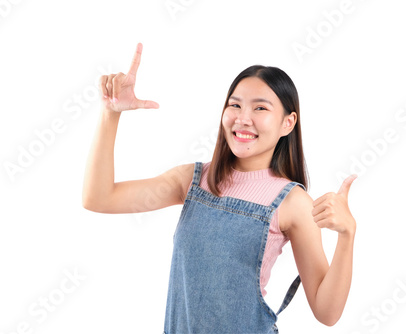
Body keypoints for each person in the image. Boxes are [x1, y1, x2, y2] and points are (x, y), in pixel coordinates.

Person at [82, 42, 357, 334]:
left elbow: (327, 312)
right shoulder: (192, 180)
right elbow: (99, 198)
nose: (242, 118)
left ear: (288, 123)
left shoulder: (293, 202)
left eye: (260, 108)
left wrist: (347, 235)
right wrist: (110, 114)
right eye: (235, 105)